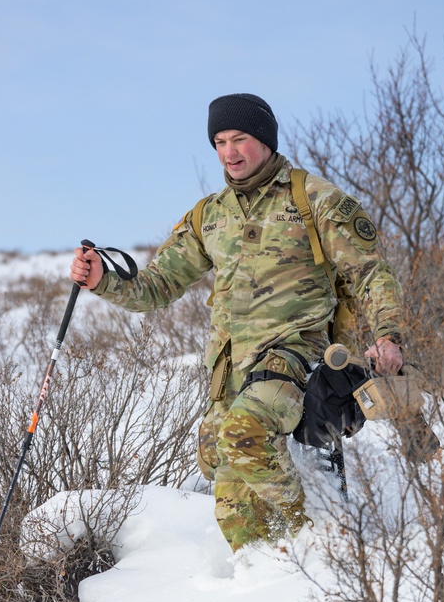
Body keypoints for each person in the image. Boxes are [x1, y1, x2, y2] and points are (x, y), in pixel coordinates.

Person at [70, 93, 406, 551]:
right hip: (232, 372)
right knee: (220, 466)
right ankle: (259, 572)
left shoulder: (315, 200)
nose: (229, 151)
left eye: (240, 138)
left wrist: (388, 334)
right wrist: (102, 280)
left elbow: (370, 272)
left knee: (242, 434)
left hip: (298, 356)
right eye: (220, 141)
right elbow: (156, 287)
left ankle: (321, 539)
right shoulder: (209, 215)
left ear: (265, 140)